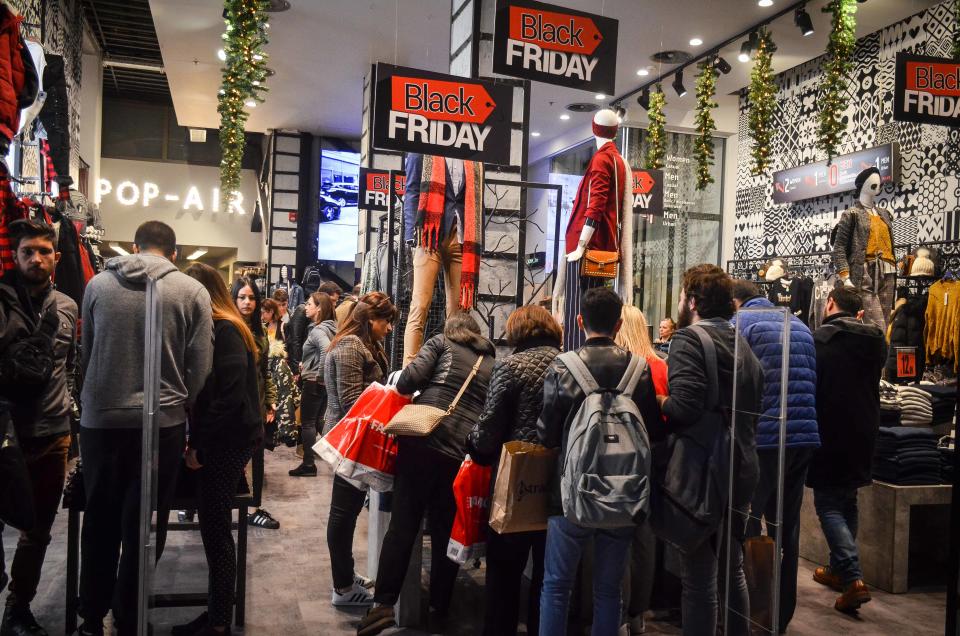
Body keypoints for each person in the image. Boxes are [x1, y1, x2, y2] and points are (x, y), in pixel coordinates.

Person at [77, 221, 213, 636]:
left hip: (101, 419)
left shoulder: (98, 286)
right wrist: (178, 397)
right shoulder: (192, 291)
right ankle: (129, 614)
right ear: (174, 253)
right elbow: (200, 364)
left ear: (135, 248)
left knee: (99, 518)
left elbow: (87, 351)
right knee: (145, 522)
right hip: (162, 421)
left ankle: (90, 618)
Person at [358, 312, 495, 635]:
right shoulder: (492, 363)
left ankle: (383, 606)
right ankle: (440, 607)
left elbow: (407, 381)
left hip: (422, 443)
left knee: (403, 525)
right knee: (446, 528)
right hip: (460, 453)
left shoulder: (441, 342)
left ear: (451, 329)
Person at [537, 287, 661, 636]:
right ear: (619, 323)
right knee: (608, 590)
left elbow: (546, 433)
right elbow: (653, 431)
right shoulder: (640, 369)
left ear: (579, 321)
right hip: (625, 492)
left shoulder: (564, 367)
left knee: (557, 585)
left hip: (571, 493)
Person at [656, 265, 763, 636]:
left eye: (684, 296)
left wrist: (655, 398)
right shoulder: (742, 343)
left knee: (699, 576)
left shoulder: (687, 340)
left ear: (694, 300)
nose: (682, 303)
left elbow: (684, 406)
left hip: (703, 469)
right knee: (732, 569)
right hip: (743, 464)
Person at [173, 263, 263, 636]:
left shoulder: (225, 330)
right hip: (232, 439)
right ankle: (216, 614)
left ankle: (219, 621)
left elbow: (228, 400)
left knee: (215, 530)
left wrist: (200, 446)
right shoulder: (226, 327)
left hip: (229, 442)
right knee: (214, 528)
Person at [0, 220, 76, 636]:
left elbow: (70, 364)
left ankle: (17, 607)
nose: (36, 258)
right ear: (16, 255)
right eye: (28, 251)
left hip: (51, 432)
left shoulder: (67, 306)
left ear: (56, 257)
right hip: (3, 432)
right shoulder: (1, 299)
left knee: (38, 531)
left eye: (44, 251)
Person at [466, 305, 561, 636]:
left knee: (504, 573)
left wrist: (474, 447)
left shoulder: (509, 367)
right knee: (549, 576)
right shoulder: (570, 365)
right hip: (559, 482)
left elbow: (489, 429)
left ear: (517, 332)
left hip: (515, 480)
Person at [730, 279, 819, 631]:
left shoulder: (742, 325)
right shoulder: (800, 325)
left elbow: (736, 382)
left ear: (737, 302)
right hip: (802, 438)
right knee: (788, 528)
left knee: (750, 527)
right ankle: (781, 615)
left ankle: (753, 611)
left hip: (763, 438)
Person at [806, 287, 885, 614]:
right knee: (848, 498)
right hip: (865, 428)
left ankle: (852, 578)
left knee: (827, 502)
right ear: (860, 313)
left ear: (830, 304)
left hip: (830, 427)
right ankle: (839, 569)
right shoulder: (876, 342)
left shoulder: (820, 340)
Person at [323, 292, 397, 607]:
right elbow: (354, 401)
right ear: (369, 320)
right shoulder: (351, 347)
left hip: (356, 441)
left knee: (347, 514)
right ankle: (342, 588)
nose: (390, 328)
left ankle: (346, 577)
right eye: (386, 321)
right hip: (349, 443)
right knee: (342, 516)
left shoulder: (363, 345)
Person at [614, 305, 668, 636]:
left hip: (618, 460)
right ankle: (638, 614)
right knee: (645, 539)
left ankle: (616, 610)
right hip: (654, 460)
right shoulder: (660, 365)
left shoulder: (620, 367)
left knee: (615, 537)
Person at [231, 278, 281, 531]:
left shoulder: (259, 331)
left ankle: (253, 508)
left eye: (252, 298)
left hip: (256, 407)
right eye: (242, 297)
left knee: (255, 459)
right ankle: (196, 504)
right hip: (232, 408)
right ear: (234, 299)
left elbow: (265, 372)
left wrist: (270, 401)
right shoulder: (227, 327)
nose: (248, 302)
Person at [289, 292, 337, 477]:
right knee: (318, 422)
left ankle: (309, 464)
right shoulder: (331, 327)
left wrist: (319, 375)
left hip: (314, 382)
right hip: (322, 383)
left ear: (319, 308)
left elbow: (326, 351)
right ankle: (336, 455)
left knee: (307, 423)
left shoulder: (318, 331)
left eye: (309, 304)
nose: (306, 307)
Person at [261, 298, 299, 448]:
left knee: (281, 401)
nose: (263, 315)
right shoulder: (262, 326)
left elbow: (292, 346)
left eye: (266, 312)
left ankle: (281, 434)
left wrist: (294, 369)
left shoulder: (284, 326)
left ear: (272, 312)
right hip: (268, 369)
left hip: (280, 369)